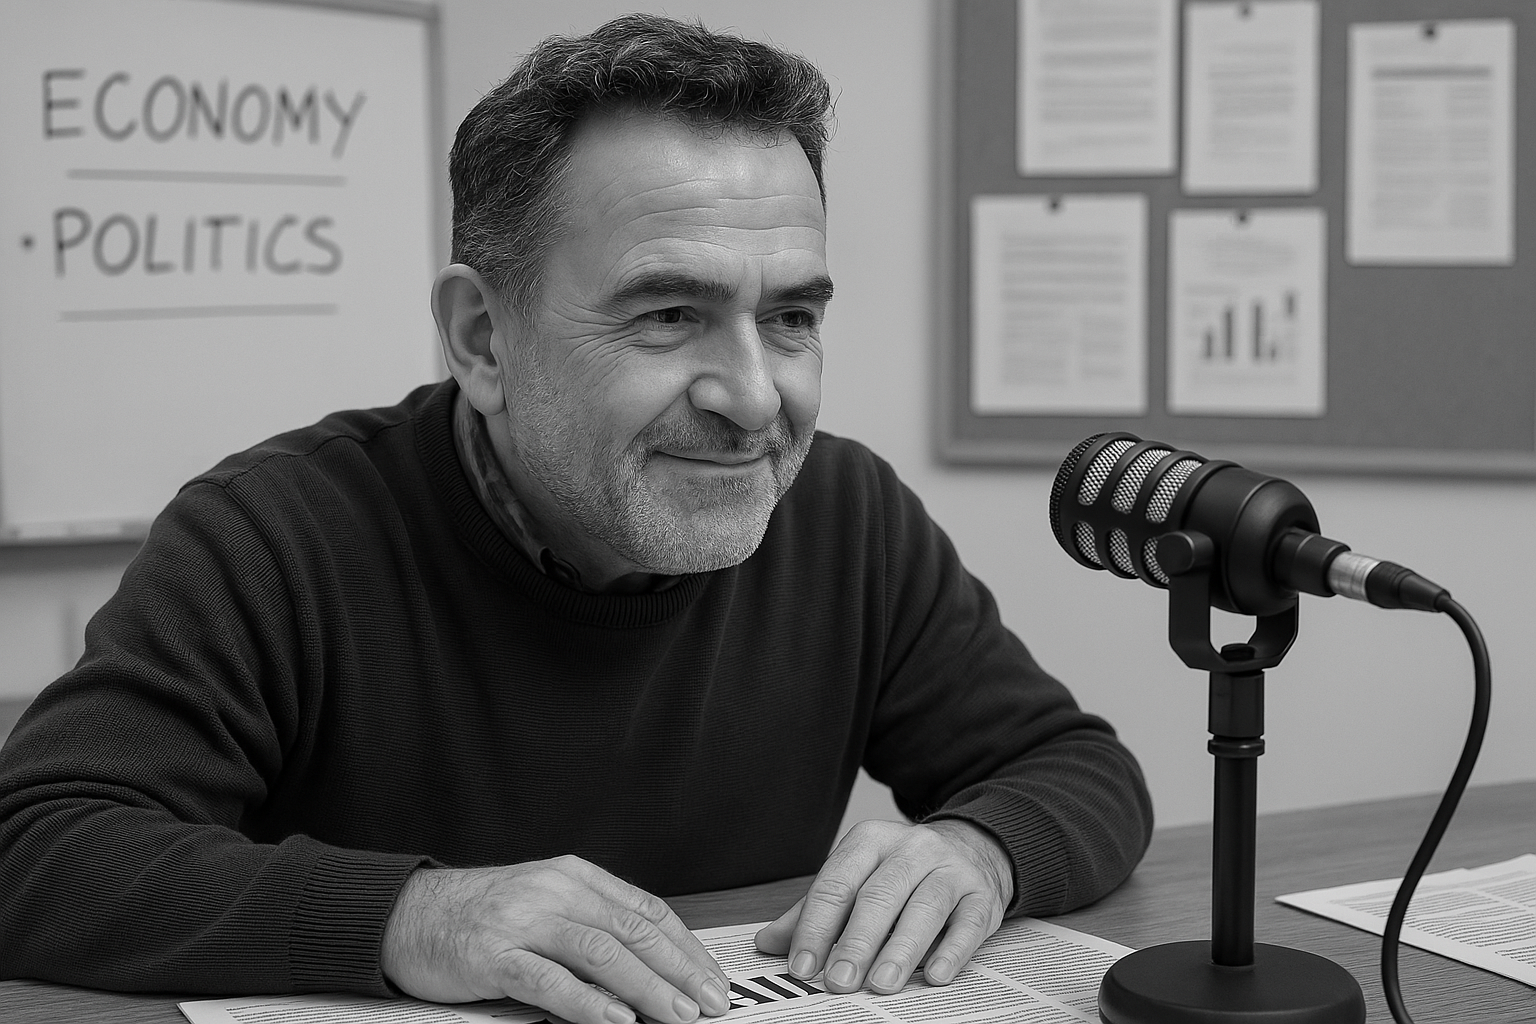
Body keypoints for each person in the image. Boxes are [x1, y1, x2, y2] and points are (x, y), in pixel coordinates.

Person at [0, 14, 1152, 1024]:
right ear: (482, 340)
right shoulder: (273, 534)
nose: (756, 399)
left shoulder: (845, 515)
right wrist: (414, 913)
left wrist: (979, 849)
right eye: (668, 314)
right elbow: (36, 848)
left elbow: (1075, 766)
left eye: (792, 317)